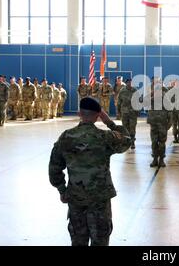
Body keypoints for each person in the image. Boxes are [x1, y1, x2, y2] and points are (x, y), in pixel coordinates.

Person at [48, 97, 131, 246]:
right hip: (100, 199)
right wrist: (109, 122)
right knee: (100, 239)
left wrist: (62, 190)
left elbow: (54, 168)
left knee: (78, 240)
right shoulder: (105, 137)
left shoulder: (66, 137)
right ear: (98, 115)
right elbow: (127, 140)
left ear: (79, 113)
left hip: (75, 197)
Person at [147, 78, 171, 167]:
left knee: (162, 142)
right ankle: (154, 159)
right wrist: (151, 94)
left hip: (162, 123)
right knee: (154, 142)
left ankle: (161, 159)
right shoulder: (151, 97)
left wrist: (169, 123)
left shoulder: (165, 97)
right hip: (153, 124)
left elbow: (170, 110)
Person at [117, 78, 140, 149]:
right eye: (128, 82)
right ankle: (126, 142)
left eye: (131, 82)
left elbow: (139, 101)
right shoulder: (122, 91)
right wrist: (119, 112)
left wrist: (138, 111)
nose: (130, 84)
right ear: (126, 83)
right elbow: (119, 102)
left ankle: (132, 142)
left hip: (133, 113)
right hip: (125, 113)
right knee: (125, 128)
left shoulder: (135, 90)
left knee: (132, 128)